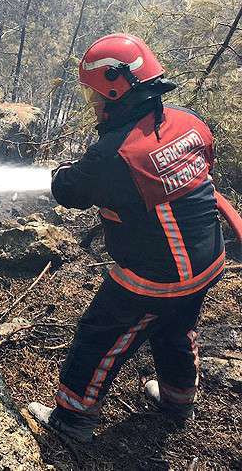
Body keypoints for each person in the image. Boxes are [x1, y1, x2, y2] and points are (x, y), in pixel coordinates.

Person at [27, 33, 227, 443]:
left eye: (95, 95)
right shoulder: (188, 121)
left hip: (156, 275)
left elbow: (70, 191)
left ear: (118, 90)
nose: (93, 104)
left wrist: (62, 172)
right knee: (176, 328)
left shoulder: (115, 154)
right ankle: (178, 399)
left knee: (99, 335)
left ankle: (73, 417)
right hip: (208, 260)